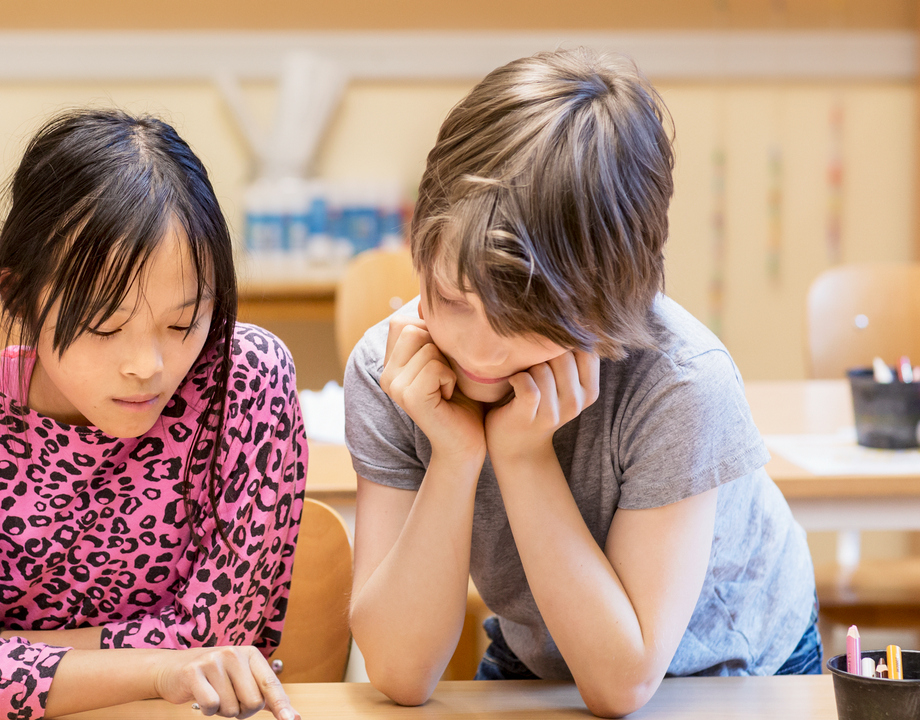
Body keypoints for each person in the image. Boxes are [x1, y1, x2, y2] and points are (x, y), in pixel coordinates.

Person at [346, 48, 818, 717]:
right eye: (452, 299)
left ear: (609, 302)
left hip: (732, 667)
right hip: (543, 650)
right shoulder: (393, 367)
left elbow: (621, 686)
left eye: (525, 321)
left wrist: (522, 454)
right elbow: (399, 673)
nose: (477, 350)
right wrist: (454, 457)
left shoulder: (681, 383)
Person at [0, 109, 307, 720]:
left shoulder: (246, 378)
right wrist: (165, 667)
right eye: (105, 328)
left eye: (183, 322)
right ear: (17, 298)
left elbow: (220, 636)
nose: (147, 366)